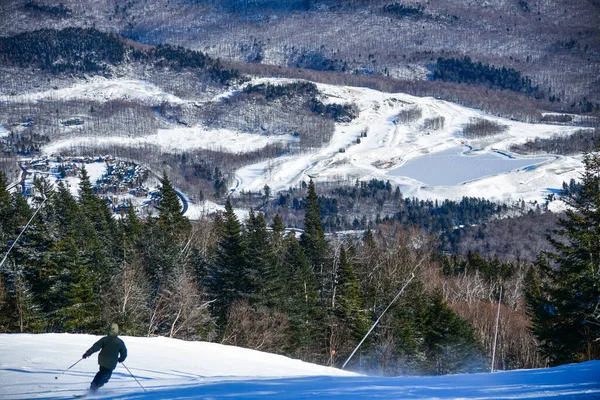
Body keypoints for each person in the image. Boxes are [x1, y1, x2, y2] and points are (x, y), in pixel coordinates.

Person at [82, 323, 127, 391]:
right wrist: (121, 359)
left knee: (101, 372)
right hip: (111, 362)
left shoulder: (104, 339)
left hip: (102, 360)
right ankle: (95, 386)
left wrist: (87, 353)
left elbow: (95, 347)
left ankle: (94, 384)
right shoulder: (120, 342)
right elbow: (124, 352)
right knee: (106, 377)